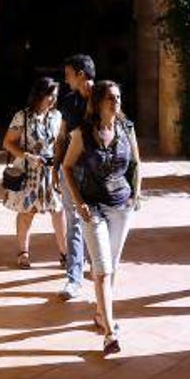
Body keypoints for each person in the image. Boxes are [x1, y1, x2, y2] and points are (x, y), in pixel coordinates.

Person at [62, 80, 142, 356]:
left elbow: (135, 164)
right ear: (97, 102)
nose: (116, 101)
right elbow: (67, 167)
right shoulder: (82, 133)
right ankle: (109, 332)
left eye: (118, 96)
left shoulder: (125, 127)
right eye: (110, 97)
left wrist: (136, 195)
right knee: (103, 269)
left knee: (113, 265)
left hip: (122, 206)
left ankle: (99, 313)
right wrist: (78, 201)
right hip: (92, 207)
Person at [2, 77, 66, 268]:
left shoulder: (57, 116)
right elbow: (7, 143)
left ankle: (65, 253)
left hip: (51, 173)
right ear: (39, 95)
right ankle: (23, 253)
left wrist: (59, 160)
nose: (52, 100)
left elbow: (61, 141)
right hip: (30, 171)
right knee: (27, 212)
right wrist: (27, 156)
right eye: (49, 96)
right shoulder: (22, 117)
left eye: (55, 97)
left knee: (58, 211)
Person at [56, 54, 95, 299]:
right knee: (74, 222)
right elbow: (61, 135)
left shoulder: (105, 96)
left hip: (97, 171)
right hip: (71, 169)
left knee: (97, 218)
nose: (66, 78)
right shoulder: (68, 101)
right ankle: (74, 278)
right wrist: (55, 166)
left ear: (81, 74)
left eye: (69, 73)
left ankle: (98, 265)